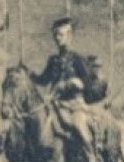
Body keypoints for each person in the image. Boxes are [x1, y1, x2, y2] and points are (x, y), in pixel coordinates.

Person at [30, 17, 101, 149]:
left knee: (78, 125)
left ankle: (92, 155)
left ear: (69, 36)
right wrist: (30, 75)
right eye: (55, 35)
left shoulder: (77, 59)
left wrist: (77, 82)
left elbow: (89, 83)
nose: (57, 38)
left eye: (60, 35)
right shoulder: (53, 60)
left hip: (74, 104)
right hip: (55, 103)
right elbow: (44, 80)